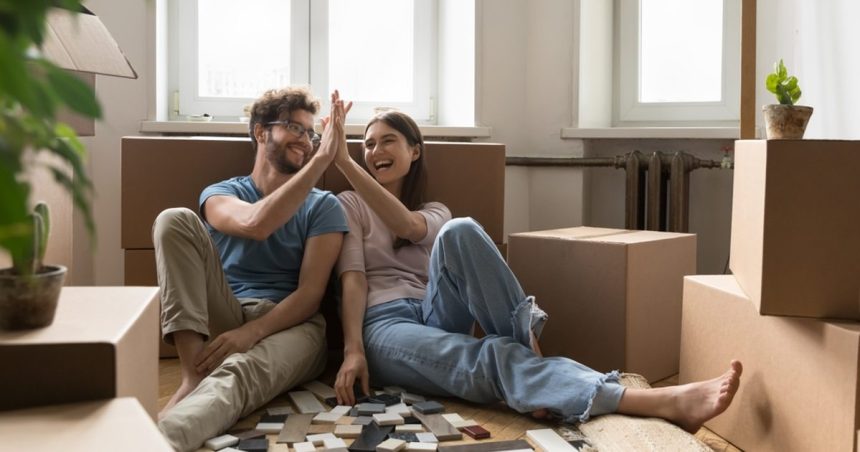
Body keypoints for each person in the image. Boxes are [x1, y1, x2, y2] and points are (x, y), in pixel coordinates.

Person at [329, 106, 743, 434]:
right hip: (387, 326)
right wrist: (353, 350)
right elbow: (354, 278)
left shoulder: (434, 211)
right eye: (367, 145)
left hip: (435, 313)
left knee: (461, 230)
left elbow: (406, 226)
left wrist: (344, 161)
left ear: (414, 150)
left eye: (388, 141)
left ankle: (529, 361)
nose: (375, 151)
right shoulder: (349, 204)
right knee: (488, 355)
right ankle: (660, 401)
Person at [154, 88, 351, 451]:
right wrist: (322, 161)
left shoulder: (324, 207)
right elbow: (256, 225)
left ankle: (150, 443)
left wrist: (253, 333)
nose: (306, 141)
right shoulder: (222, 193)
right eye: (295, 127)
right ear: (261, 132)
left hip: (291, 326)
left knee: (237, 374)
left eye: (312, 133)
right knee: (174, 219)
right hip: (226, 312)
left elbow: (310, 296)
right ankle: (191, 375)